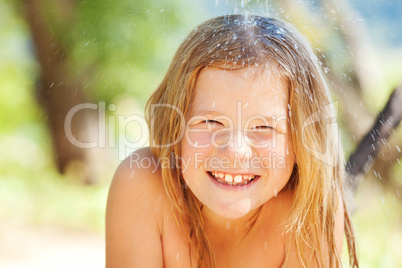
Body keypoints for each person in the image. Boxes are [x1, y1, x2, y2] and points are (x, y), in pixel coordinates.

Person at [106, 15, 358, 267]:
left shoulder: (309, 211)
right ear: (175, 126)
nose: (235, 151)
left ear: (302, 139)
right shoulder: (143, 184)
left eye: (263, 127)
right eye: (210, 122)